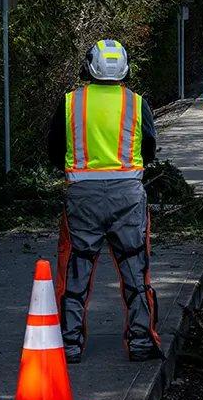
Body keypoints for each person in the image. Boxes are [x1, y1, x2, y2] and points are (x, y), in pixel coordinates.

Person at [47, 40, 162, 363]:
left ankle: (69, 344)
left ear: (89, 67)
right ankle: (140, 342)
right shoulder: (137, 103)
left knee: (75, 268)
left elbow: (55, 150)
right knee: (136, 269)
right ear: (125, 69)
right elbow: (149, 150)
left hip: (82, 198)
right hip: (128, 195)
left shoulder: (70, 103)